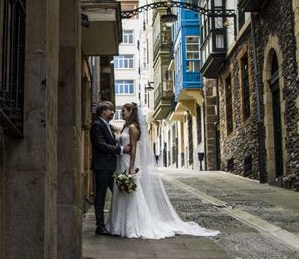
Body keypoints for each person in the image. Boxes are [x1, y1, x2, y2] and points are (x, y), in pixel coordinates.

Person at [106, 102, 219, 239]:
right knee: (121, 191)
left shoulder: (132, 128)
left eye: (124, 111)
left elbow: (134, 149)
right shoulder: (125, 127)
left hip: (127, 162)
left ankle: (132, 225)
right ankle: (118, 224)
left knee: (131, 193)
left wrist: (131, 167)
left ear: (131, 112)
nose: (122, 113)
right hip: (121, 162)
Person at [91, 101, 130, 236]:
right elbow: (101, 145)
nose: (113, 112)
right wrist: (121, 149)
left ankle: (121, 222)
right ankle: (100, 226)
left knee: (119, 194)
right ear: (103, 111)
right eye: (111, 110)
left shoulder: (107, 125)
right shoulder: (97, 125)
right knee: (100, 196)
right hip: (101, 167)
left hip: (110, 167)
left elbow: (109, 143)